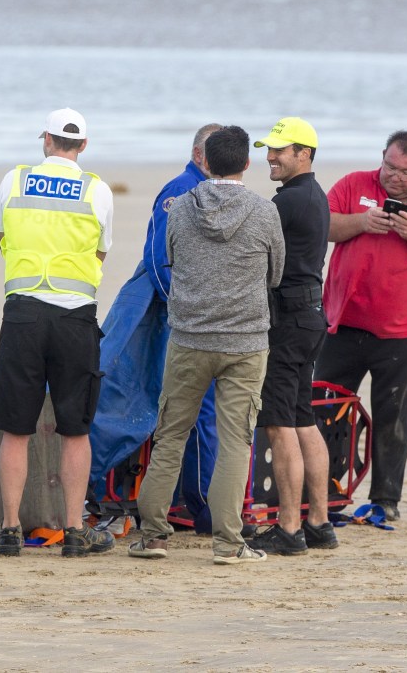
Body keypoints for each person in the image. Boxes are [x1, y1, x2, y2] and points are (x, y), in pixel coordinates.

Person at [128, 125, 285, 565]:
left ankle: (154, 536)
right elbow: (276, 275)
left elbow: (171, 260)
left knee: (171, 436)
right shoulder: (263, 212)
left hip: (190, 338)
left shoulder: (179, 209)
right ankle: (228, 543)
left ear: (204, 161)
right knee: (236, 441)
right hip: (245, 341)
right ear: (246, 164)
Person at [0, 107, 117, 558]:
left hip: (22, 314)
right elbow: (101, 252)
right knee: (75, 429)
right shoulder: (96, 190)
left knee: (15, 428)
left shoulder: (15, 180)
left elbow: (2, 238)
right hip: (74, 318)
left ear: (46, 139)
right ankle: (76, 530)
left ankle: (9, 528)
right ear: (82, 147)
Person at [315, 130, 407, 521]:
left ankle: (385, 501)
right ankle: (326, 497)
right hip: (341, 326)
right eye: (390, 167)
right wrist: (362, 222)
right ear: (382, 157)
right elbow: (322, 228)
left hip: (403, 335)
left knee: (392, 420)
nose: (394, 177)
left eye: (406, 172)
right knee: (327, 414)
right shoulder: (353, 184)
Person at [89, 124, 222, 533]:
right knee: (148, 403)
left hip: (187, 313)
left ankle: (192, 502)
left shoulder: (211, 191)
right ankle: (196, 508)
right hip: (160, 313)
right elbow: (159, 256)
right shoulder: (180, 190)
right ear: (200, 154)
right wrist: (182, 311)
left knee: (191, 410)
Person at [246, 117, 338, 556]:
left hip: (289, 320)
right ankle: (319, 522)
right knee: (303, 419)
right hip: (310, 315)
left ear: (305, 154)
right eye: (269, 148)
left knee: (280, 424)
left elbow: (248, 247)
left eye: (280, 150)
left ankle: (288, 528)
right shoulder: (313, 196)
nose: (271, 156)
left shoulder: (290, 202)